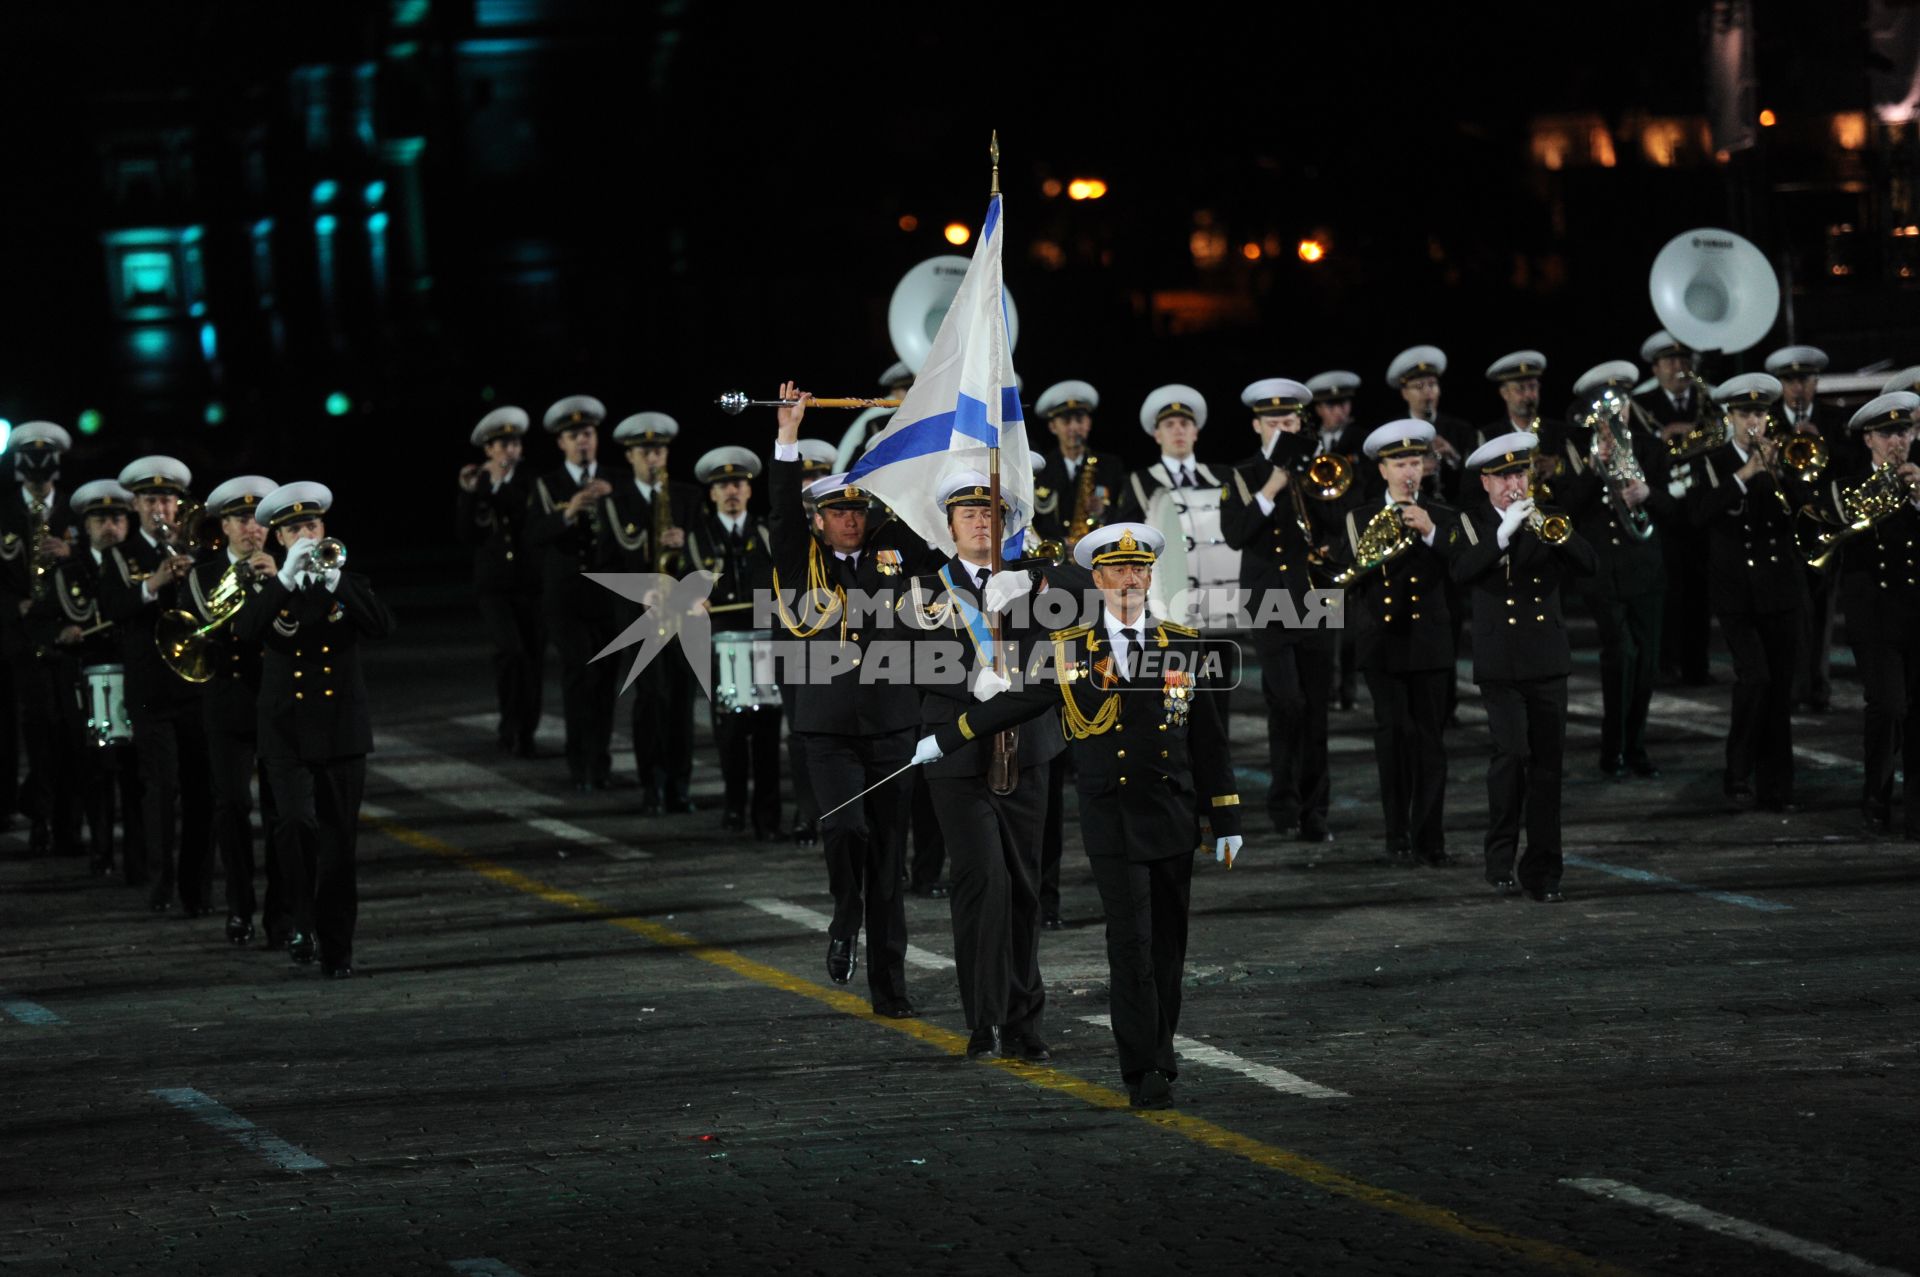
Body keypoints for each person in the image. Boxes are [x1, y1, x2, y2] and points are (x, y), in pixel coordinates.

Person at [912, 522, 1242, 1109]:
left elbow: (1210, 742)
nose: (1130, 581)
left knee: (1169, 947)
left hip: (1171, 815)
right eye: (1117, 571)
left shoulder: (1185, 645)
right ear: (1096, 579)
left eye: (1139, 570)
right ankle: (1145, 1068)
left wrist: (1227, 818)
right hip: (1111, 815)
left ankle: (1158, 1048)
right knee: (1131, 944)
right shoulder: (1070, 650)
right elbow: (1020, 701)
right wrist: (949, 737)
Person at [768, 382, 938, 1016]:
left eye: (858, 511)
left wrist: (914, 420)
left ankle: (889, 990)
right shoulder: (796, 561)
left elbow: (919, 501)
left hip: (893, 725)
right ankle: (845, 913)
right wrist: (788, 437)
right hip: (828, 730)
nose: (850, 519)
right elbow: (781, 514)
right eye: (837, 512)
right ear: (818, 519)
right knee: (843, 828)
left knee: (890, 862)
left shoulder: (894, 554)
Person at [902, 471, 1064, 1060]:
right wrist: (973, 679)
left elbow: (1079, 617)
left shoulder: (1036, 582)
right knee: (981, 884)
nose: (979, 520)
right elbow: (907, 659)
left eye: (990, 512)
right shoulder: (922, 589)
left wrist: (1032, 586)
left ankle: (1024, 1020)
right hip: (958, 752)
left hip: (1029, 749)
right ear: (948, 526)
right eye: (967, 513)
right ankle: (984, 1018)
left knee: (1025, 887)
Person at [234, 482, 395, 978]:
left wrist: (333, 580)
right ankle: (300, 918)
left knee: (339, 843)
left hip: (342, 731)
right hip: (286, 731)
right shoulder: (265, 586)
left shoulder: (348, 583)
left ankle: (336, 947)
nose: (307, 535)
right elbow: (244, 634)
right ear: (279, 538)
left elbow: (381, 625)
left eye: (313, 526)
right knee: (296, 825)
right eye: (295, 529)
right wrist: (285, 577)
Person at [1445, 432, 1596, 902]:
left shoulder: (1549, 518)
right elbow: (1461, 571)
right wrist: (1503, 533)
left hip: (1546, 659)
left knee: (1548, 768)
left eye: (1521, 473)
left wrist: (1554, 529)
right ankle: (1500, 854)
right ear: (1487, 481)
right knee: (1511, 756)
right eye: (1506, 475)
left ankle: (1545, 872)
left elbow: (1589, 564)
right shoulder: (1469, 524)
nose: (1515, 483)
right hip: (1500, 663)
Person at [1685, 373, 1814, 812]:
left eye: (1759, 413)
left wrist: (1781, 476)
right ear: (1731, 416)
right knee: (1754, 678)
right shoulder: (1712, 461)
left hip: (1780, 591)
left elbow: (1806, 510)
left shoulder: (1784, 458)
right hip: (1736, 594)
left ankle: (1778, 786)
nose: (1754, 422)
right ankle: (1737, 769)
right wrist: (1744, 475)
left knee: (1779, 690)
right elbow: (1698, 513)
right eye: (1745, 414)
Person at [1332, 421, 1457, 865]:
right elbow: (1340, 577)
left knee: (1430, 741)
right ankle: (1396, 830)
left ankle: (1431, 836)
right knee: (1393, 736)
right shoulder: (1358, 518)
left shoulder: (1441, 514)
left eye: (1415, 463)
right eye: (1399, 463)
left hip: (1430, 643)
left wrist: (1431, 533)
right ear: (1382, 469)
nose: (1409, 472)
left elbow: (1463, 568)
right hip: (1381, 643)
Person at [1220, 377, 1336, 841]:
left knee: (1317, 709)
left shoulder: (1319, 469)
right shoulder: (1244, 474)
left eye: (1289, 420)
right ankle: (1283, 803)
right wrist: (1271, 488)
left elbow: (1336, 524)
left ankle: (1315, 813)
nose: (1282, 428)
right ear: (1257, 426)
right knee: (1286, 701)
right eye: (1273, 422)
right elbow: (1236, 534)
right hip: (1267, 597)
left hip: (1317, 597)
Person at [98, 455, 214, 915]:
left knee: (202, 791)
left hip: (197, 687)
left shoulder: (198, 551)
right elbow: (112, 607)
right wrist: (153, 585)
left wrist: (193, 581)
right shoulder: (121, 556)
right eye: (150, 500)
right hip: (150, 692)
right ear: (136, 506)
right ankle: (161, 879)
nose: (160, 508)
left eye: (166, 499)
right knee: (162, 790)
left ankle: (198, 888)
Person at [1557, 360, 1677, 780]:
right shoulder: (1576, 452)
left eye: (1619, 405)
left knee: (1646, 662)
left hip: (1645, 569)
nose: (1613, 415)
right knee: (1619, 653)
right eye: (1604, 408)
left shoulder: (1652, 449)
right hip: (1601, 573)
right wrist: (1595, 470)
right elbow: (1566, 508)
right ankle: (1613, 748)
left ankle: (1636, 745)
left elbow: (1679, 509)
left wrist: (1649, 493)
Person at [28, 479, 144, 881]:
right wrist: (60, 637)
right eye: (100, 520)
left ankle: (136, 855)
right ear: (86, 527)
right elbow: (38, 621)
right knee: (96, 771)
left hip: (137, 679)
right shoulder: (70, 571)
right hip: (88, 679)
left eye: (116, 518)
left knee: (136, 771)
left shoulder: (141, 566)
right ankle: (101, 849)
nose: (110, 527)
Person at [1820, 393, 1920, 837]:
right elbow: (1836, 536)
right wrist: (1885, 492)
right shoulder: (1847, 487)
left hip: (1916, 613)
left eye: (1903, 431)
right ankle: (1876, 793)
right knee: (1889, 706)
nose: (1897, 441)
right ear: (1868, 440)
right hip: (1874, 617)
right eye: (1887, 434)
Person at [595, 412, 704, 813]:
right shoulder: (615, 503)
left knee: (681, 699)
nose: (654, 458)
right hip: (640, 617)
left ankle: (681, 784)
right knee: (651, 699)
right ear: (630, 457)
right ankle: (652, 784)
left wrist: (687, 540)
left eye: (659, 450)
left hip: (684, 615)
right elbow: (605, 563)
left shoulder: (689, 498)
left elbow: (707, 558)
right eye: (645, 452)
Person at [194, 476, 285, 947]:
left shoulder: (285, 571)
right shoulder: (202, 574)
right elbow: (203, 636)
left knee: (280, 814)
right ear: (224, 526)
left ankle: (280, 916)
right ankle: (238, 906)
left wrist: (276, 586)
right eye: (242, 520)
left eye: (260, 521)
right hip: (227, 703)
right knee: (231, 805)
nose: (253, 530)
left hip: (275, 703)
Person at [687, 445, 781, 839]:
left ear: (749, 489)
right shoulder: (697, 538)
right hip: (721, 643)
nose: (731, 490)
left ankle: (768, 815)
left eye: (738, 483)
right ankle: (734, 807)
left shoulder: (764, 532)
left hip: (762, 642)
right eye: (723, 484)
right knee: (729, 734)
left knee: (767, 733)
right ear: (711, 493)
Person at [528, 395, 617, 791]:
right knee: (580, 675)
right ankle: (579, 764)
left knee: (606, 682)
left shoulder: (616, 480)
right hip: (566, 600)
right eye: (573, 436)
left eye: (588, 433)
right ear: (561, 444)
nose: (583, 441)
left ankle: (600, 763)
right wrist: (569, 511)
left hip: (609, 598)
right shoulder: (548, 485)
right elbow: (532, 534)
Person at [0, 422, 80, 855]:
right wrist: (14, 606)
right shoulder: (3, 511)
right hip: (19, 636)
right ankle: (40, 818)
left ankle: (61, 817)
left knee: (66, 728)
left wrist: (74, 552)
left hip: (68, 634)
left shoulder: (75, 511)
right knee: (35, 724)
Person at [458, 406, 544, 758]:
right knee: (511, 652)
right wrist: (467, 494)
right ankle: (510, 725)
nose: (508, 450)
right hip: (494, 586)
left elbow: (525, 513)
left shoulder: (533, 481)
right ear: (488, 451)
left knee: (533, 659)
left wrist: (492, 487)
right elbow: (465, 534)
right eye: (500, 445)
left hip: (531, 582)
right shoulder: (476, 484)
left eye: (514, 443)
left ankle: (527, 731)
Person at [1765, 345, 1843, 714]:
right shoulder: (1768, 426)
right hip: (1785, 530)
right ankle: (1797, 687)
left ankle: (1819, 686)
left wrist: (1821, 442)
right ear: (1781, 385)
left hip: (1824, 530)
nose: (1798, 389)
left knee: (1824, 611)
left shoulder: (1832, 420)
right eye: (1790, 381)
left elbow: (1846, 470)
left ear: (1815, 383)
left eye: (1805, 380)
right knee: (1795, 612)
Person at [1636, 329, 1714, 688]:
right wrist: (1663, 439)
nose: (1679, 368)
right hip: (1663, 508)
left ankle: (1698, 665)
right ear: (1655, 369)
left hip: (1700, 507)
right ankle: (1666, 663)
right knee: (1667, 589)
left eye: (1684, 361)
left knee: (1701, 590)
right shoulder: (1641, 405)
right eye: (1670, 361)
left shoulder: (1708, 401)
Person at [1030, 379, 1122, 549]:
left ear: (1088, 424)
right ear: (1052, 426)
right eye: (1065, 421)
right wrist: (1057, 544)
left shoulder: (1110, 466)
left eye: (1079, 420)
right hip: (1054, 559)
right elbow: (1032, 521)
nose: (1073, 427)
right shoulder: (1039, 468)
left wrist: (1103, 512)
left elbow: (1127, 516)